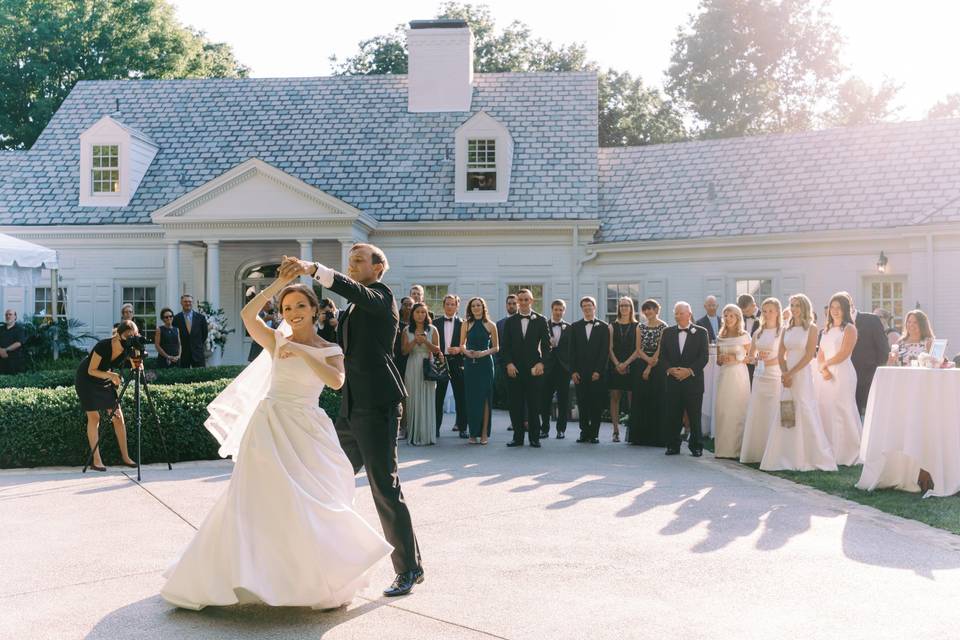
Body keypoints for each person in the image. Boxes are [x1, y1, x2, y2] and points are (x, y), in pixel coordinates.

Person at [161, 271, 393, 610]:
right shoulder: (275, 341)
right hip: (270, 425)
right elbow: (246, 316)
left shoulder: (330, 348)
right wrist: (275, 286)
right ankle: (251, 576)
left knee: (317, 501)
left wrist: (303, 352)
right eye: (286, 307)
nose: (293, 311)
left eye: (300, 305)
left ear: (315, 310)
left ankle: (316, 579)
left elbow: (337, 382)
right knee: (264, 502)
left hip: (309, 428)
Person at [283, 246, 423, 597]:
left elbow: (351, 289)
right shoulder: (351, 309)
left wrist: (314, 269)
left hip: (378, 406)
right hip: (350, 407)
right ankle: (317, 562)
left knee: (384, 488)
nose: (352, 263)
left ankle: (409, 569)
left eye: (359, 260)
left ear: (378, 267)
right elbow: (339, 349)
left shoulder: (381, 296)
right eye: (351, 260)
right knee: (328, 480)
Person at [759, 294, 837, 472]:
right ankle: (784, 454)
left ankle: (808, 455)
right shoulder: (786, 329)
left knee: (804, 407)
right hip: (786, 374)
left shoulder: (811, 328)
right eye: (792, 305)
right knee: (787, 408)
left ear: (804, 308)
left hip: (801, 373)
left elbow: (809, 355)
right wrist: (784, 373)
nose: (794, 309)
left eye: (797, 306)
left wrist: (792, 373)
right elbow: (780, 354)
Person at [76, 320, 139, 471]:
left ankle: (126, 457)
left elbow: (136, 365)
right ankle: (96, 461)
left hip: (105, 378)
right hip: (87, 379)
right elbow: (91, 370)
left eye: (133, 336)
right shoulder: (103, 346)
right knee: (94, 417)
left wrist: (137, 353)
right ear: (118, 335)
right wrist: (111, 375)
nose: (128, 340)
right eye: (127, 337)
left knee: (118, 416)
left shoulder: (128, 347)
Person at [816, 293, 862, 466]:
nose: (835, 311)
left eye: (839, 307)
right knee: (826, 409)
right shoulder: (826, 329)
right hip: (826, 373)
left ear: (845, 309)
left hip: (842, 373)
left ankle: (848, 452)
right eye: (832, 307)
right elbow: (820, 352)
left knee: (842, 408)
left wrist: (825, 365)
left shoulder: (849, 328)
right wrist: (822, 368)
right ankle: (829, 450)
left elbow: (844, 353)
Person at [502, 289, 550, 448]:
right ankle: (517, 437)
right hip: (514, 369)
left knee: (534, 404)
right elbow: (505, 347)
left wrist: (542, 363)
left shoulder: (541, 320)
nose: (522, 303)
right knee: (515, 404)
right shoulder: (510, 321)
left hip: (534, 370)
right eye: (520, 300)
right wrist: (508, 363)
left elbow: (546, 346)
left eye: (525, 300)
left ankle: (534, 438)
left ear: (531, 301)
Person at [660, 302, 709, 457]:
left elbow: (704, 357)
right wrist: (670, 369)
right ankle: (672, 445)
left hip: (693, 382)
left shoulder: (701, 332)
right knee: (672, 415)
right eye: (676, 313)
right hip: (673, 380)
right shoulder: (667, 332)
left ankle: (696, 446)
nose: (678, 316)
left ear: (689, 314)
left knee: (694, 416)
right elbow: (662, 356)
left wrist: (689, 371)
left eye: (681, 313)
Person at [740, 298, 783, 464]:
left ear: (777, 312)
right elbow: (750, 356)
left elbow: (784, 356)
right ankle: (756, 452)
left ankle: (774, 452)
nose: (767, 314)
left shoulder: (783, 331)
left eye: (771, 310)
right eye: (765, 311)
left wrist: (768, 361)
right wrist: (756, 358)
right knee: (758, 411)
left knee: (773, 411)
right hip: (759, 376)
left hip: (775, 376)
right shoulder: (758, 332)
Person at [713, 304, 752, 459]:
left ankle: (737, 450)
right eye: (726, 316)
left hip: (738, 376)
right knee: (723, 411)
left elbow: (750, 358)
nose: (728, 319)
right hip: (724, 377)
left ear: (737, 318)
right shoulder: (720, 336)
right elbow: (717, 361)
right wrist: (721, 359)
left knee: (737, 410)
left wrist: (736, 358)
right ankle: (723, 450)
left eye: (731, 316)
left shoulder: (744, 336)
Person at [569, 296, 609, 444]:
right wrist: (573, 371)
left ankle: (594, 433)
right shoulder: (575, 326)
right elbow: (571, 351)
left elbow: (604, 351)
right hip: (580, 372)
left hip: (596, 373)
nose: (587, 308)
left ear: (594, 307)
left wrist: (598, 371)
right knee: (583, 403)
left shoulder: (604, 327)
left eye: (589, 305)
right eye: (584, 306)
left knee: (596, 404)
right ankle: (584, 432)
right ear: (582, 308)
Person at [840, 292, 889, 415]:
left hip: (867, 380)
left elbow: (883, 350)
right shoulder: (837, 324)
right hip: (842, 380)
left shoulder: (871, 320)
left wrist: (875, 374)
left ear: (852, 305)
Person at [460, 297, 498, 444]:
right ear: (470, 308)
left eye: (479, 305)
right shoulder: (466, 324)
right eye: (473, 306)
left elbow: (496, 347)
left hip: (486, 365)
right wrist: (467, 352)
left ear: (483, 307)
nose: (476, 308)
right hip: (470, 364)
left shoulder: (490, 325)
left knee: (485, 399)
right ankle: (472, 433)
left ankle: (483, 434)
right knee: (471, 398)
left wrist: (483, 353)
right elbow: (461, 345)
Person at [628, 299, 666, 446]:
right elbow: (638, 349)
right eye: (645, 309)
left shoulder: (664, 327)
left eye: (651, 309)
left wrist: (650, 366)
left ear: (657, 310)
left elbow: (660, 349)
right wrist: (646, 363)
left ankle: (656, 437)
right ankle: (640, 437)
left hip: (657, 366)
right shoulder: (640, 327)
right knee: (641, 399)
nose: (648, 312)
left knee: (656, 399)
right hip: (641, 364)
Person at [403, 303, 441, 446]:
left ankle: (427, 435)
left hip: (427, 365)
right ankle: (414, 435)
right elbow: (404, 351)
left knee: (427, 398)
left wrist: (425, 341)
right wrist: (414, 341)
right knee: (412, 399)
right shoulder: (407, 330)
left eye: (423, 312)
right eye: (417, 312)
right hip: (412, 365)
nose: (420, 315)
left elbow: (437, 350)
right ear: (413, 314)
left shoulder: (433, 329)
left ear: (426, 315)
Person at [434, 294, 466, 438]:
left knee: (461, 396)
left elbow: (468, 343)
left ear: (457, 306)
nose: (450, 306)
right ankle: (435, 429)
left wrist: (460, 349)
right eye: (447, 304)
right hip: (440, 362)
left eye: (453, 304)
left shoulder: (463, 323)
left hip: (457, 361)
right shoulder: (435, 322)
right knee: (438, 397)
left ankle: (462, 427)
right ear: (443, 305)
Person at [608, 297, 638, 443]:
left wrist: (626, 363)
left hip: (632, 365)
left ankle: (632, 430)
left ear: (631, 308)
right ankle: (615, 431)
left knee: (633, 399)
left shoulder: (637, 326)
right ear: (618, 308)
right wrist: (617, 364)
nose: (624, 308)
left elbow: (638, 349)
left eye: (627, 305)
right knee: (615, 397)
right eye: (622, 306)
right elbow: (609, 348)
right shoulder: (612, 326)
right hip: (615, 366)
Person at [540, 299, 571, 440]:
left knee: (563, 401)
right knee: (544, 400)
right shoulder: (543, 325)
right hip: (547, 368)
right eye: (556, 309)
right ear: (552, 310)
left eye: (561, 310)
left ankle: (561, 430)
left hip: (563, 369)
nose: (558, 312)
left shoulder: (569, 328)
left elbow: (572, 350)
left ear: (564, 311)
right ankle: (544, 429)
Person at [496, 294, 519, 431]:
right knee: (511, 396)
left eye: (514, 303)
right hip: (505, 365)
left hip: (522, 364)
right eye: (509, 303)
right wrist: (500, 363)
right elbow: (499, 345)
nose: (511, 305)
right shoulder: (500, 323)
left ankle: (526, 421)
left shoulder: (523, 320)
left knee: (525, 395)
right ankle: (514, 422)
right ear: (506, 305)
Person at [173, 294, 208, 368]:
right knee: (183, 377)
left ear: (192, 303)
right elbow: (175, 335)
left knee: (200, 376)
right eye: (185, 301)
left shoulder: (201, 318)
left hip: (198, 353)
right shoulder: (176, 318)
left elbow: (204, 334)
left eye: (189, 301)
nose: (188, 303)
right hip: (183, 353)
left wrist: (197, 344)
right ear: (181, 303)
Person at [737, 294, 760, 383]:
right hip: (742, 361)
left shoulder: (764, 316)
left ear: (754, 305)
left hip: (759, 360)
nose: (745, 314)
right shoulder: (739, 318)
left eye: (747, 311)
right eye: (743, 312)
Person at [0, 309, 26, 375]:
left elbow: (18, 343)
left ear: (15, 317)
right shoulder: (1, 329)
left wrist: (5, 350)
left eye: (10, 314)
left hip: (14, 361)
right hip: (1, 360)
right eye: (6, 315)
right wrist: (0, 350)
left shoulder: (20, 329)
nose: (8, 316)